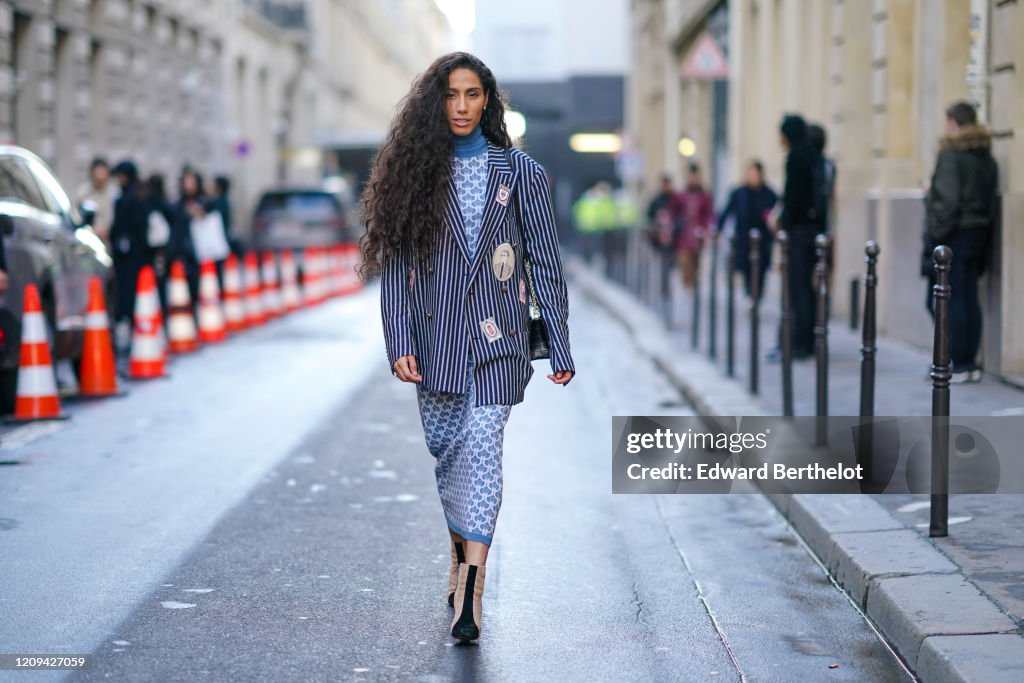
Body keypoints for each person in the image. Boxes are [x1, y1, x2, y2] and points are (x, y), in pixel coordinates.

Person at [358, 52, 575, 643]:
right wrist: (398, 339)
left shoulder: (521, 173)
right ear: (437, 102)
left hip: (500, 343)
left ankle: (472, 593)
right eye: (451, 95)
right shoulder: (415, 177)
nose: (461, 106)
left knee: (482, 448)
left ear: (488, 101)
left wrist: (559, 342)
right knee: (450, 453)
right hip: (436, 345)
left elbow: (546, 264)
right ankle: (459, 562)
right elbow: (398, 269)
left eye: (473, 94)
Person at [925, 101, 999, 383]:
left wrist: (936, 231)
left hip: (954, 233)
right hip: (979, 232)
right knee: (969, 296)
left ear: (953, 122)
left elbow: (948, 200)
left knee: (949, 297)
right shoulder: (986, 157)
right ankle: (969, 362)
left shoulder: (951, 155)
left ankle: (955, 361)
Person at [776, 114, 822, 359]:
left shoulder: (796, 158)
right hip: (814, 231)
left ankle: (801, 342)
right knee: (809, 288)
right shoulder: (815, 156)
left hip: (799, 232)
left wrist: (784, 223)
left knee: (799, 288)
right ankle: (810, 338)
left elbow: (792, 197)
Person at [716, 160, 778, 299]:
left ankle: (756, 297)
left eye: (755, 174)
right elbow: (726, 212)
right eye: (750, 174)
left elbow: (776, 212)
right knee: (746, 269)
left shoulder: (769, 194)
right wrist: (718, 229)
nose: (752, 177)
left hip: (763, 241)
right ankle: (750, 295)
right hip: (743, 239)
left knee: (760, 270)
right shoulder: (739, 193)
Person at [109, 160, 153, 349]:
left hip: (129, 257)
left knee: (128, 295)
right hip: (136, 257)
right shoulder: (138, 196)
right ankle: (135, 329)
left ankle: (130, 331)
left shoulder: (129, 198)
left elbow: (123, 227)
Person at [669, 162, 713, 291]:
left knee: (696, 264)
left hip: (698, 236)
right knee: (685, 261)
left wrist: (706, 230)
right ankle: (687, 286)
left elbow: (708, 215)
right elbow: (673, 212)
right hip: (684, 236)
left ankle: (694, 288)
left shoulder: (704, 196)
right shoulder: (681, 196)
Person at [74, 157, 118, 249]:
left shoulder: (114, 193)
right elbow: (76, 216)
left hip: (110, 243)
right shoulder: (83, 193)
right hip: (88, 242)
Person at [646, 175, 677, 304]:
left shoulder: (675, 199)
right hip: (659, 238)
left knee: (670, 263)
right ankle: (664, 286)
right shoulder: (656, 200)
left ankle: (666, 285)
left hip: (672, 237)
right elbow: (649, 216)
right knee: (663, 262)